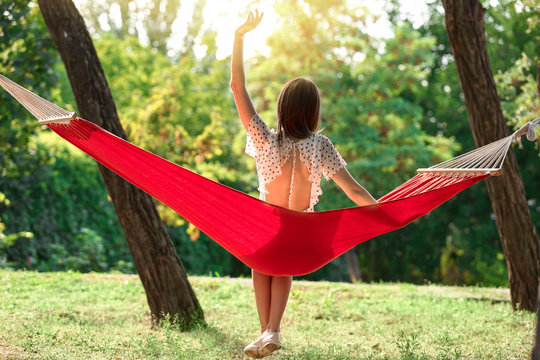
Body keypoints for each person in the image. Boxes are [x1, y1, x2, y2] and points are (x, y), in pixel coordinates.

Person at [230, 10, 378, 359]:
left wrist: (239, 37)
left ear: (282, 108)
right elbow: (354, 191)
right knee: (281, 264)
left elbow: (237, 87)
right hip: (300, 231)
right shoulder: (320, 146)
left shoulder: (265, 140)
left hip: (266, 226)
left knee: (262, 264)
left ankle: (269, 330)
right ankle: (269, 331)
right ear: (313, 112)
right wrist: (384, 210)